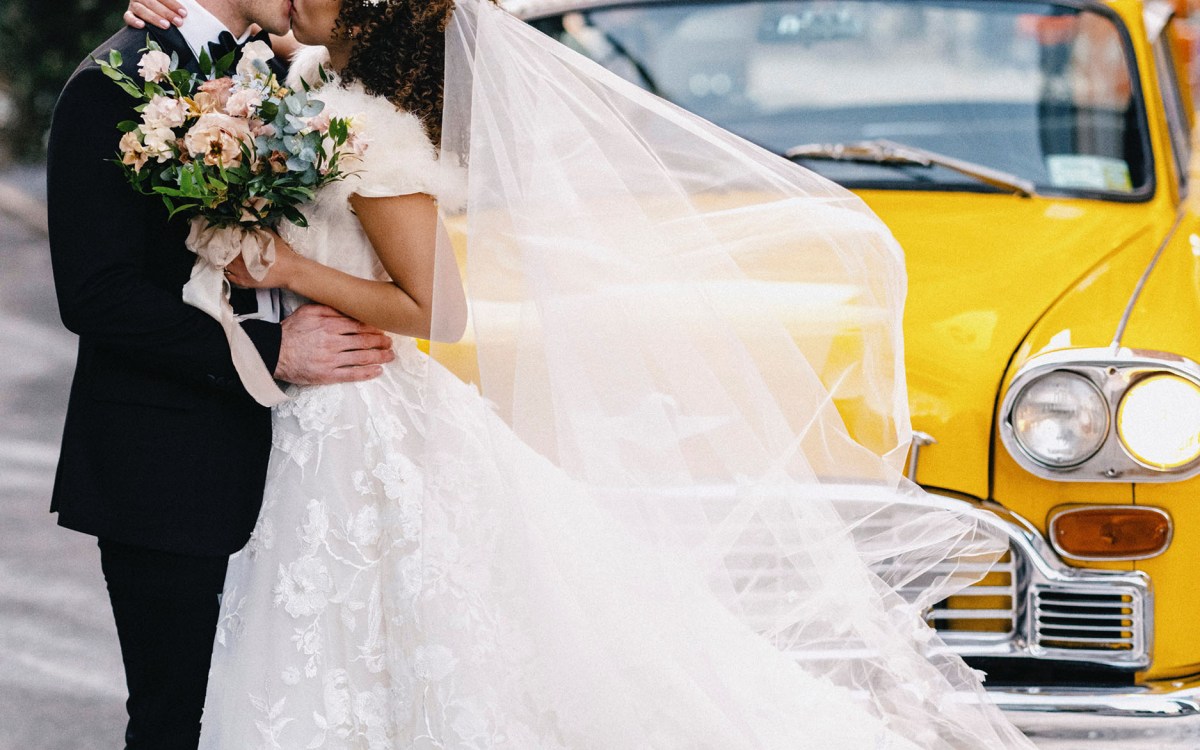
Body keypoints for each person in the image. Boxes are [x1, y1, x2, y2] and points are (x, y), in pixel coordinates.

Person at [123, 0, 1040, 747]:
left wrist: (286, 271)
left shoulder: (373, 134)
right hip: (320, 411)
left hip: (366, 415)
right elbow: (247, 40)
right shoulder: (319, 87)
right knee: (341, 641)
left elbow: (439, 311)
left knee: (403, 627)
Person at [45, 0, 397, 747]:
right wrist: (270, 351)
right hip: (170, 470)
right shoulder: (108, 84)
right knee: (181, 721)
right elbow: (96, 295)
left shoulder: (278, 73)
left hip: (304, 461)